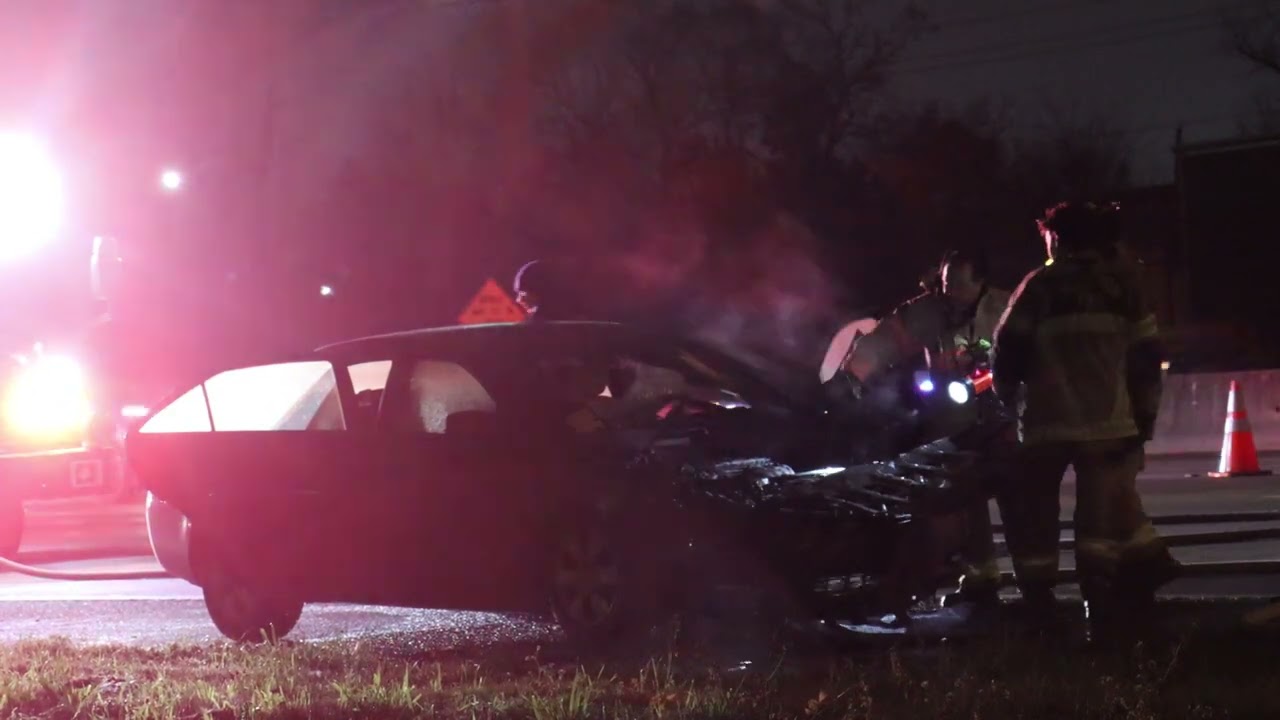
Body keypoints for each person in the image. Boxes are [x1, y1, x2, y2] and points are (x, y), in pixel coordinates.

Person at [991, 200, 1180, 631]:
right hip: (1108, 425)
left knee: (1035, 516)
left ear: (1055, 237)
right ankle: (1099, 610)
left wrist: (1007, 402)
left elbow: (1007, 353)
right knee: (1098, 522)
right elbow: (1147, 360)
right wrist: (1143, 422)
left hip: (1043, 425)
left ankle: (1039, 607)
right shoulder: (1123, 288)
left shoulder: (1039, 286)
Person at [836, 248, 1014, 610]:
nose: (949, 294)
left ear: (981, 283)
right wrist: (851, 376)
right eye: (946, 285)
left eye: (958, 286)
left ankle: (1033, 581)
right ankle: (981, 575)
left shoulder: (1004, 308)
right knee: (965, 498)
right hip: (953, 417)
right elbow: (886, 338)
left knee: (1017, 500)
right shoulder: (930, 311)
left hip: (1004, 416)